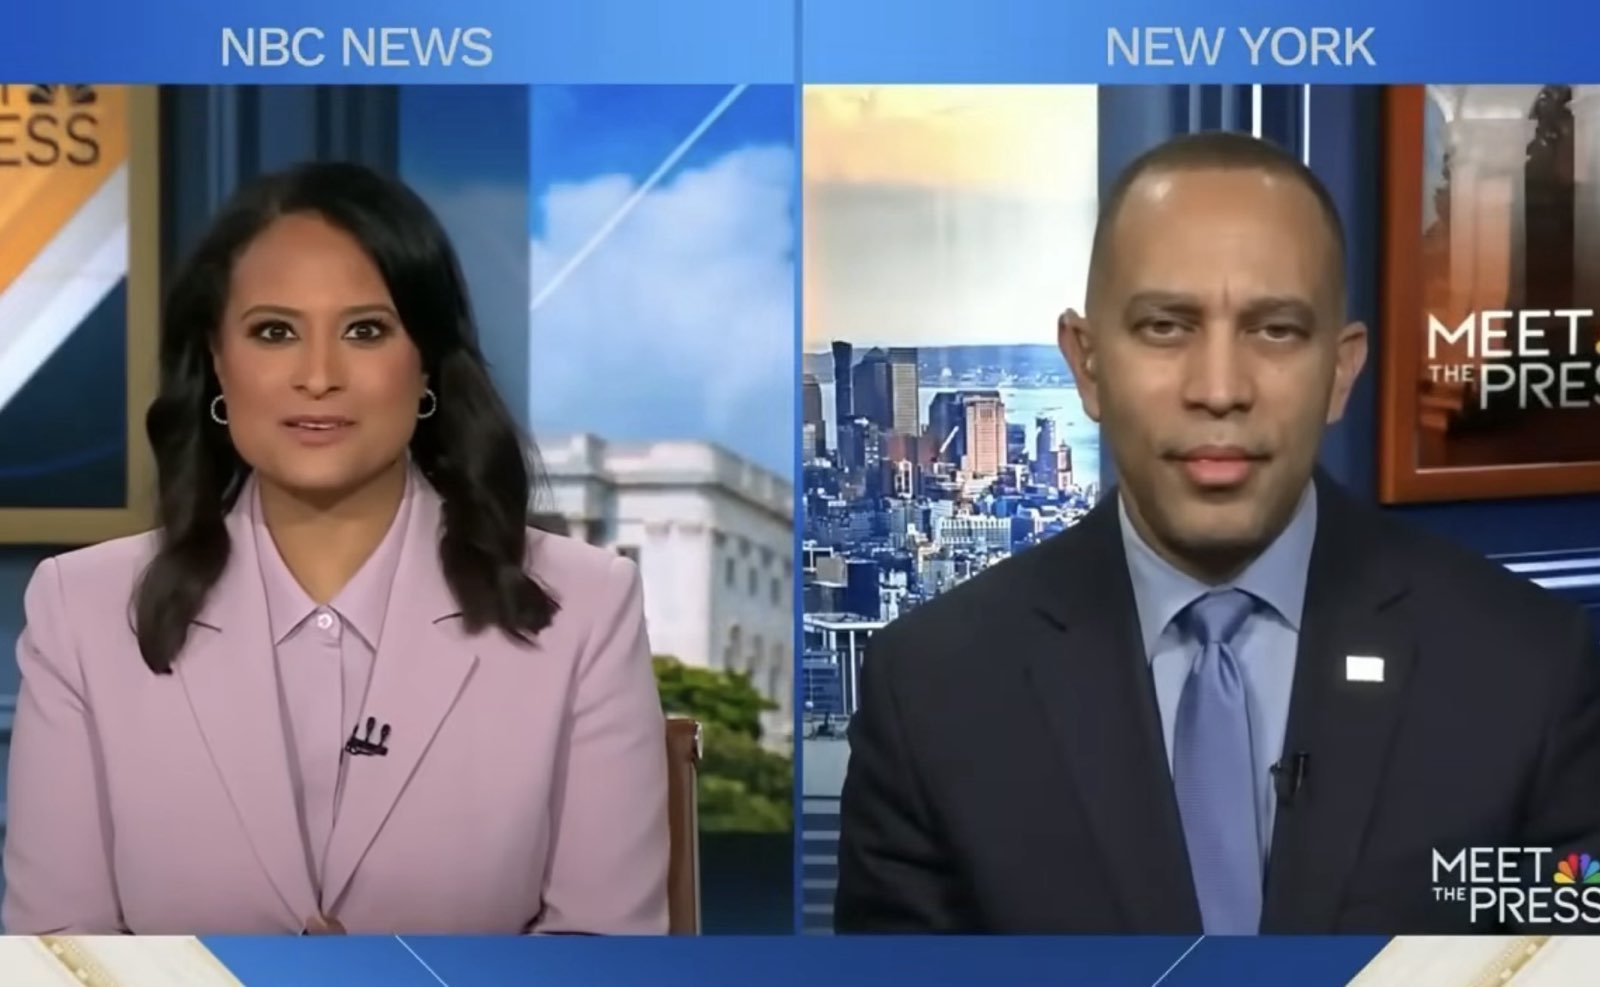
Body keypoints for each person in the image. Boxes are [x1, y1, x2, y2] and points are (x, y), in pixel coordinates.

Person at [832, 132, 1600, 934]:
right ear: (1087, 364)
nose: (1220, 389)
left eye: (1275, 331)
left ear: (1341, 372)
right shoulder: (932, 695)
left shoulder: (1527, 673)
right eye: (1166, 326)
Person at [2, 162, 670, 935]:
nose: (318, 376)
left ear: (425, 362)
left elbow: (604, 954)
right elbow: (61, 961)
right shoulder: (81, 612)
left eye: (365, 330)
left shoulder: (583, 608)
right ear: (218, 361)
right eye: (274, 331)